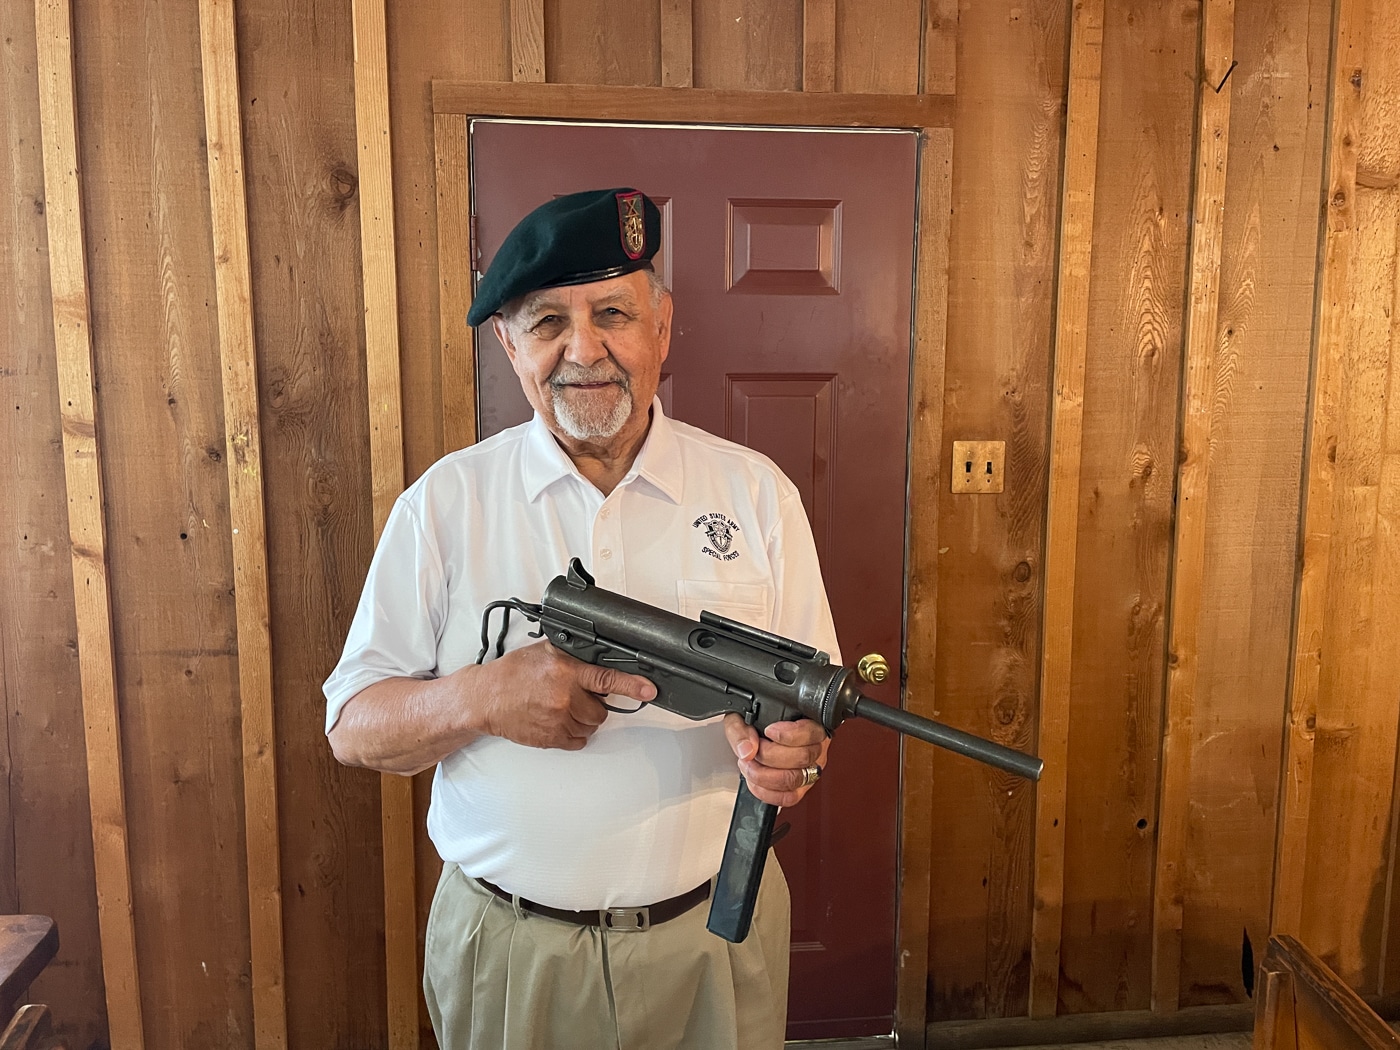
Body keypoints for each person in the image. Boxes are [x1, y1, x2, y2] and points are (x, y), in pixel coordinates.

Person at [324, 188, 841, 1050]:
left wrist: (800, 758)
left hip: (713, 946)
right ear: (508, 345)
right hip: (514, 958)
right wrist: (484, 698)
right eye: (546, 322)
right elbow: (353, 726)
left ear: (662, 328)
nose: (584, 349)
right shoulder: (446, 506)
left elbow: (809, 712)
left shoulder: (756, 495)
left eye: (613, 312)